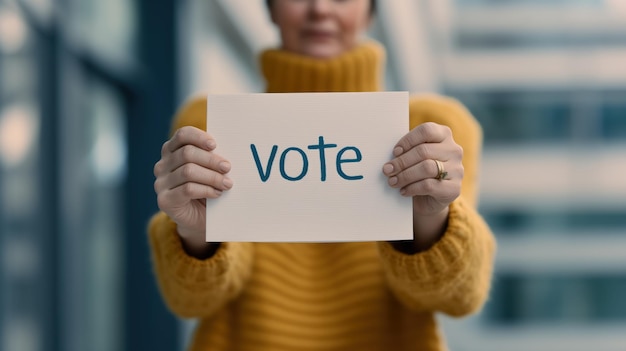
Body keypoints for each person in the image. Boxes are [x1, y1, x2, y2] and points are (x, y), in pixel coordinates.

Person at [150, 0, 496, 350]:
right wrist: (195, 232)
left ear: (372, 9)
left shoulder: (432, 128)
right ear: (269, 8)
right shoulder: (210, 122)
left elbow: (460, 298)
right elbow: (190, 302)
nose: (320, 9)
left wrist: (434, 218)